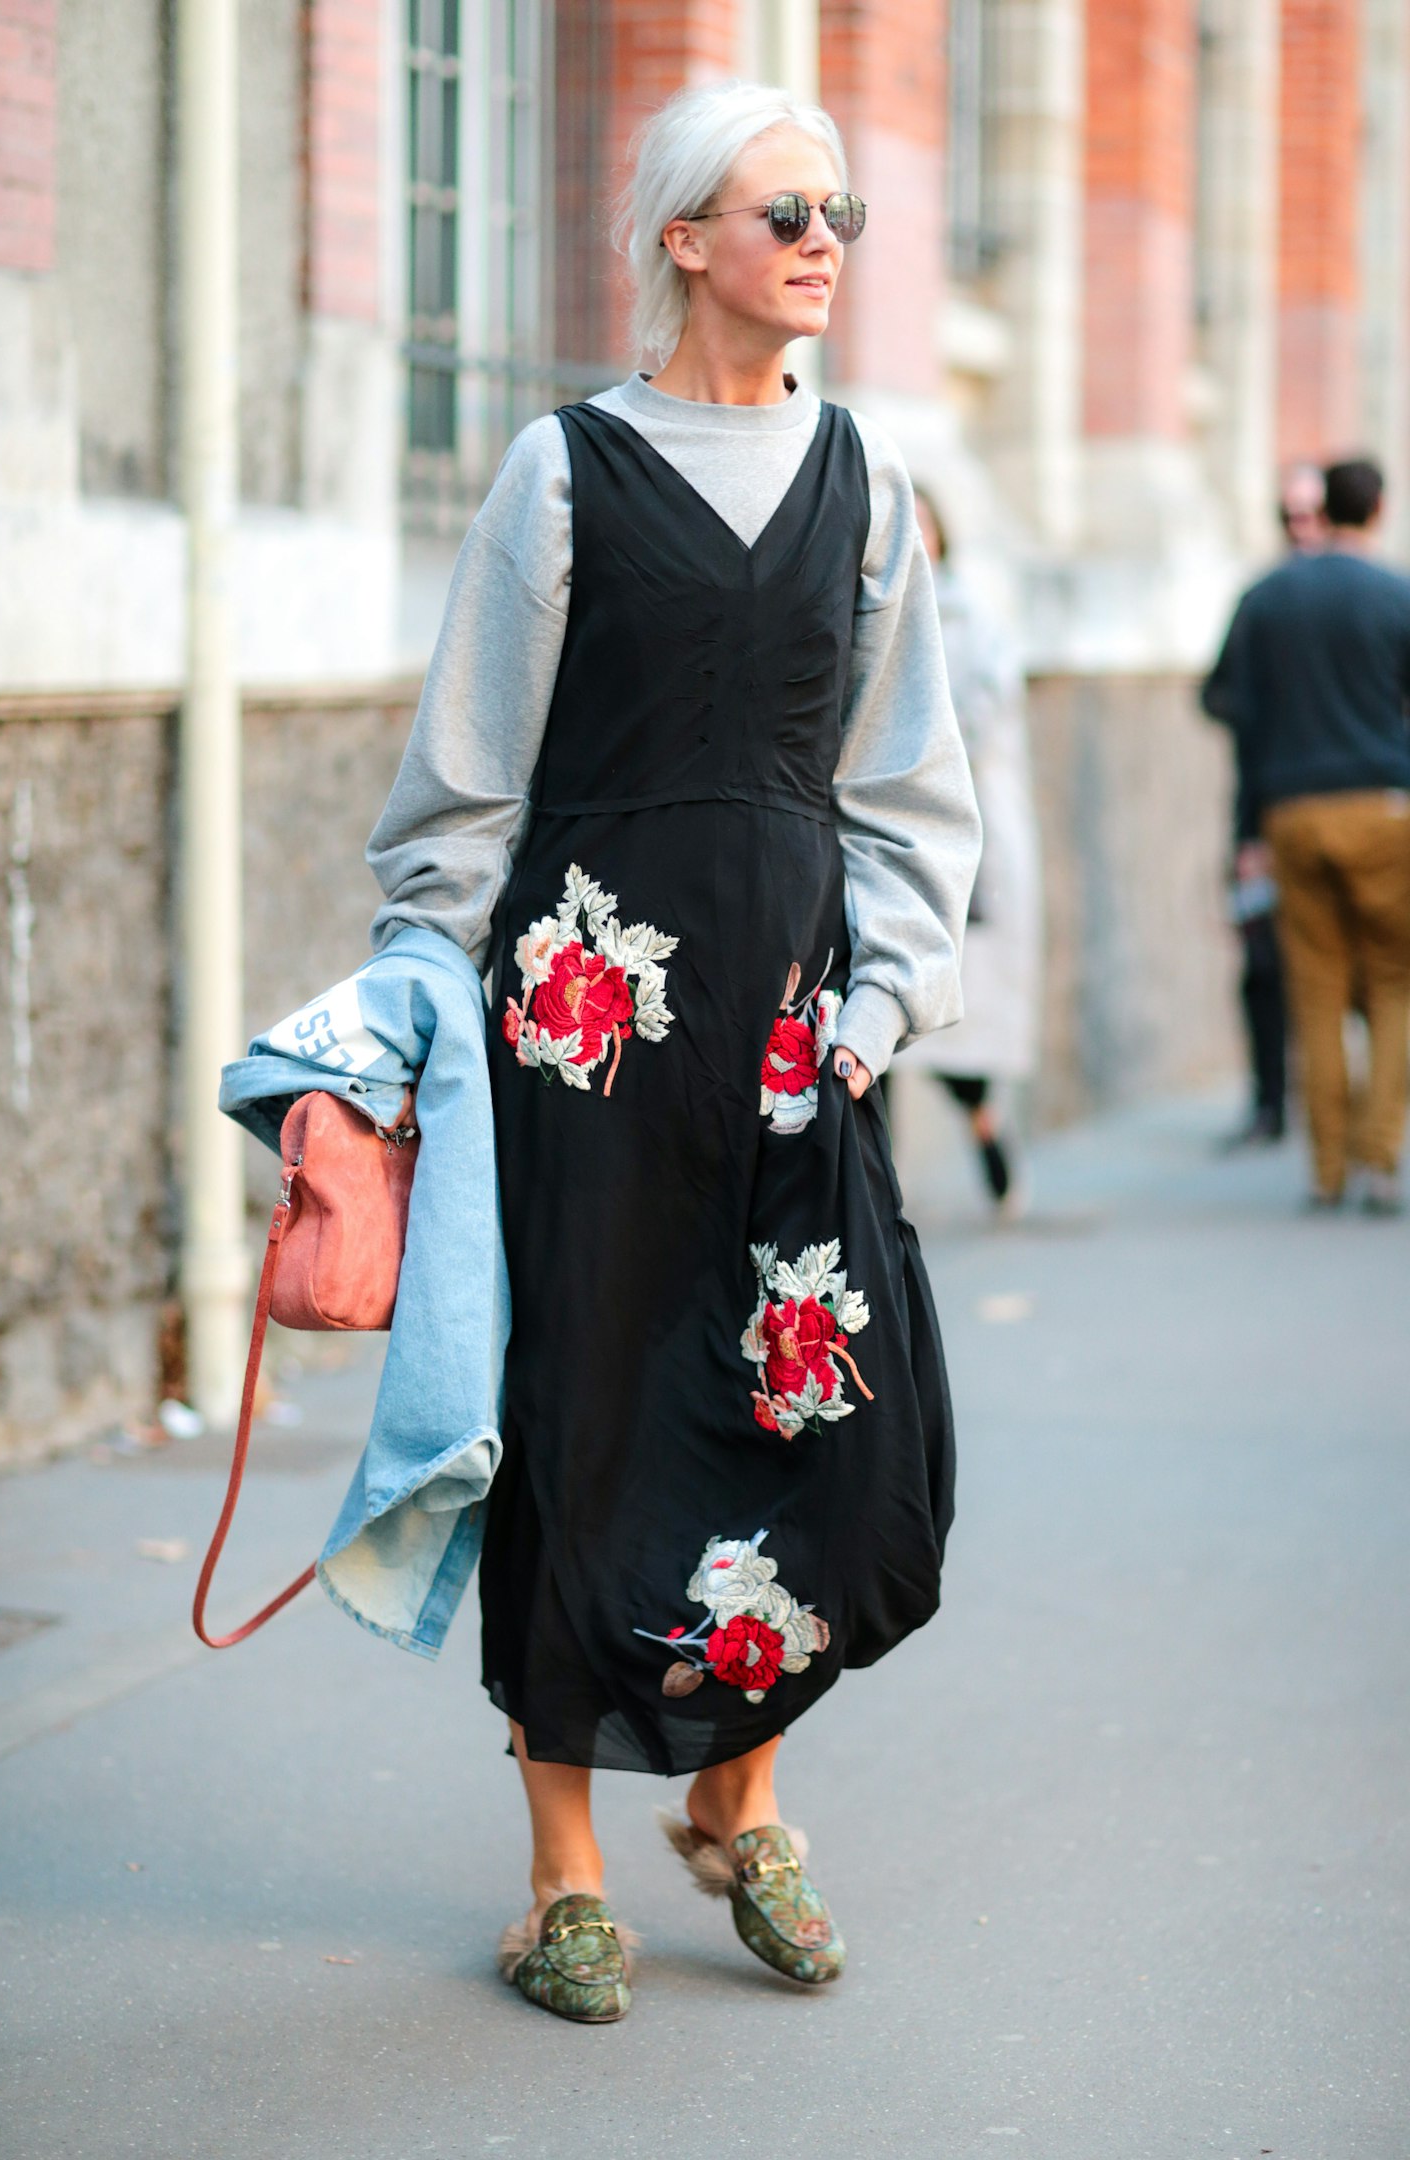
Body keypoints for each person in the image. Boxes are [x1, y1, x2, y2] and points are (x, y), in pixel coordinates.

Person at [365, 80, 980, 2021]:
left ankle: (738, 1792)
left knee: (831, 1429)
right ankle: (565, 1866)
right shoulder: (561, 478)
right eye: (782, 208)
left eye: (843, 211)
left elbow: (910, 785)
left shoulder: (868, 484)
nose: (823, 239)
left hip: (800, 1037)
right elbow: (464, 787)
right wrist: (403, 1020)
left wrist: (880, 1009)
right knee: (588, 1416)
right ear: (681, 238)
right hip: (585, 1032)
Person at [1202, 456, 1410, 1212]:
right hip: (1385, 808)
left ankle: (1326, 1171)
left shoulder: (1267, 598)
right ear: (1379, 509)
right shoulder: (1397, 595)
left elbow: (1221, 697)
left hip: (1291, 813)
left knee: (1316, 993)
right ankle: (1380, 1156)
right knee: (1393, 985)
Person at [890, 487, 1041, 1211]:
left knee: (947, 1015)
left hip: (955, 835)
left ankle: (984, 1122)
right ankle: (878, 1187)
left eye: (924, 525)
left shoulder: (973, 617)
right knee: (873, 1015)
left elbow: (980, 716)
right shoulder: (864, 603)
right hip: (876, 836)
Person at [1201, 462, 1326, 1150]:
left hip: (1337, 813)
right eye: (1290, 517)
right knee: (1265, 967)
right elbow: (1217, 694)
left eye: (1312, 515)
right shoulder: (1262, 602)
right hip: (1265, 815)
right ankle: (1272, 1100)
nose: (1301, 529)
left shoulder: (1367, 596)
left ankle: (1335, 1107)